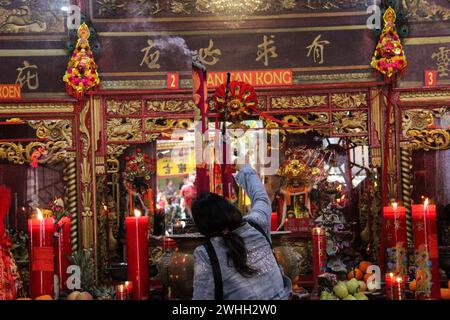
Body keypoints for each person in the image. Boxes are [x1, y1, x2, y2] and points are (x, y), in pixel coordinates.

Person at [191, 165, 292, 300]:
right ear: (229, 208)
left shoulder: (206, 254)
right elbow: (262, 198)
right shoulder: (256, 224)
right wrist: (245, 169)